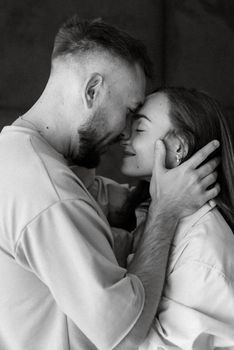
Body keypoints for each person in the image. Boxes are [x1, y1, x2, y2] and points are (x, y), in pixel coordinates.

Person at [0, 15, 220, 350]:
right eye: (130, 111)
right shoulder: (51, 193)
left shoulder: (15, 153)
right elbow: (126, 334)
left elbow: (100, 197)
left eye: (139, 123)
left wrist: (164, 189)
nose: (125, 132)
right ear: (92, 91)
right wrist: (165, 211)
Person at [115, 87, 234, 349]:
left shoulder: (202, 255)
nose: (123, 135)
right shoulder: (146, 209)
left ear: (178, 146)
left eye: (140, 129)